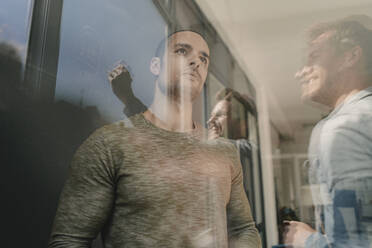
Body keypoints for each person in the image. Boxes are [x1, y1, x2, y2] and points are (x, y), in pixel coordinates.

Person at [49, 30, 261, 248]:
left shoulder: (225, 152)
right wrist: (128, 97)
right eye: (181, 51)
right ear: (155, 66)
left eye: (203, 59)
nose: (195, 62)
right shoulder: (107, 144)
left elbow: (244, 228)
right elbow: (68, 241)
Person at [284, 17, 372, 248]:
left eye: (314, 57)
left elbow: (354, 244)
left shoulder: (344, 128)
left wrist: (305, 240)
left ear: (350, 57)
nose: (300, 73)